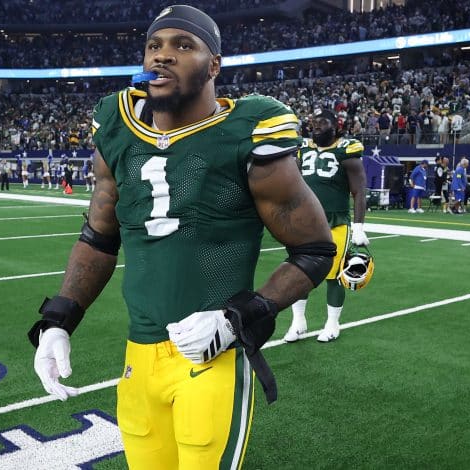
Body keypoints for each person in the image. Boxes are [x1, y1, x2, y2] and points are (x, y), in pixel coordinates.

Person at [27, 5, 336, 469]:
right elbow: (98, 238)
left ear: (214, 65)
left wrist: (239, 317)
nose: (163, 56)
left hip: (211, 360)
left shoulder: (247, 131)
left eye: (183, 45)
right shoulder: (117, 125)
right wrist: (60, 319)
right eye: (155, 45)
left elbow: (314, 249)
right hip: (138, 362)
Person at [283, 108, 368, 344]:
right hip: (304, 220)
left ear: (335, 125)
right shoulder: (303, 147)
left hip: (335, 221)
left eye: (322, 122)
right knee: (299, 272)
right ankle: (299, 322)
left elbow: (359, 190)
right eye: (313, 122)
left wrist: (359, 226)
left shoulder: (347, 149)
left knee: (334, 275)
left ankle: (333, 323)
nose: (315, 126)